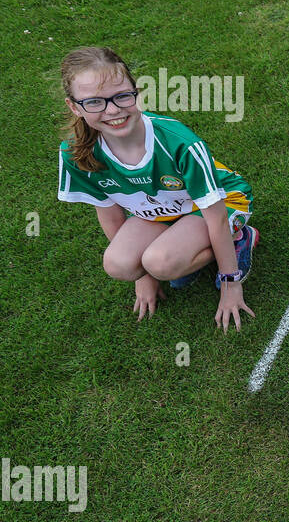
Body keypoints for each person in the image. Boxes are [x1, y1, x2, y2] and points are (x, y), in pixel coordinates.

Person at [56, 47, 258, 331]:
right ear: (74, 107)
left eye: (122, 96)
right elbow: (110, 214)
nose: (112, 110)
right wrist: (142, 275)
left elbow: (214, 215)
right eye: (94, 103)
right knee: (119, 264)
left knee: (162, 264)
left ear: (136, 91)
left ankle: (240, 239)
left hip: (221, 203)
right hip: (162, 210)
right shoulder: (75, 154)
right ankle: (177, 248)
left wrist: (230, 283)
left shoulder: (178, 142)